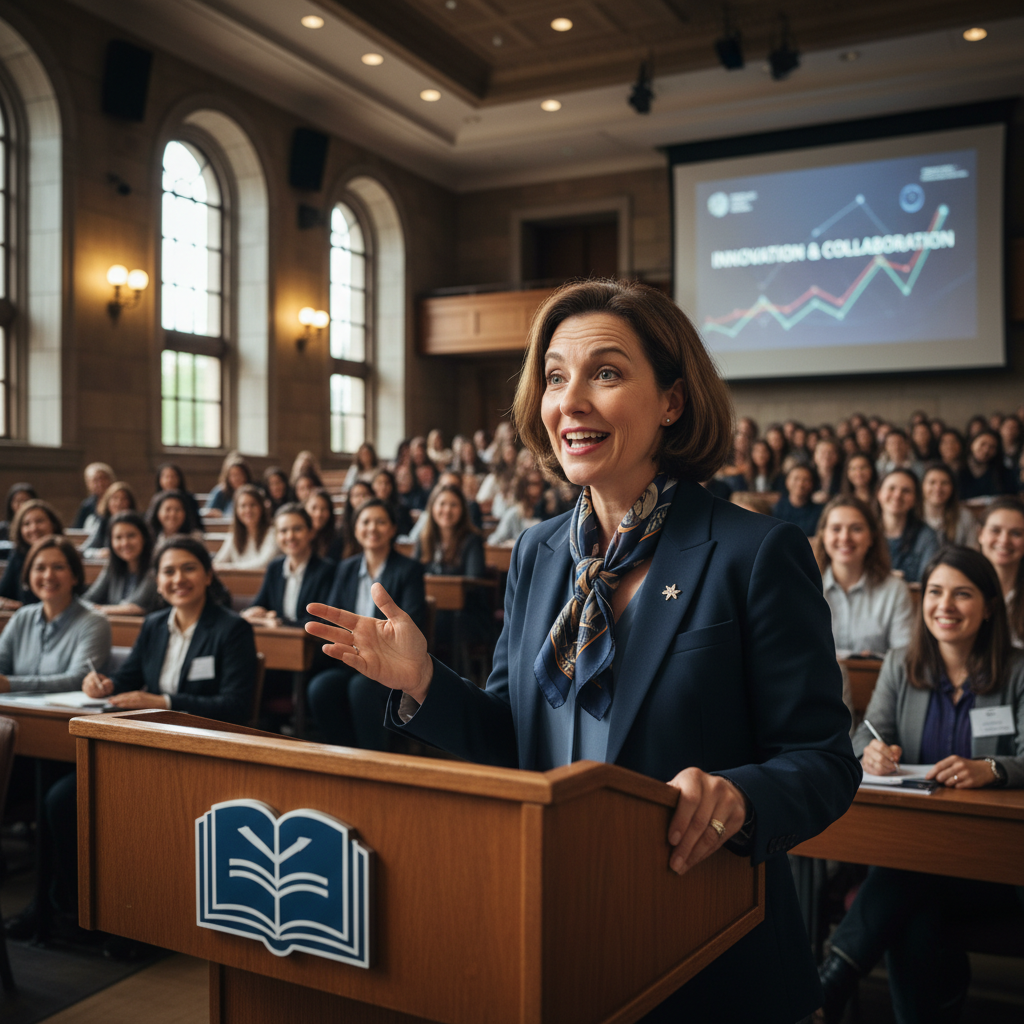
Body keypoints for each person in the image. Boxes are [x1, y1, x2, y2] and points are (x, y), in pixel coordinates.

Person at [305, 280, 858, 1024]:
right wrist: (426, 681)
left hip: (708, 942)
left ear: (672, 400)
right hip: (561, 925)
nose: (571, 401)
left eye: (606, 372)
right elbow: (515, 740)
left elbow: (823, 762)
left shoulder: (754, 551)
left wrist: (740, 796)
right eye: (555, 377)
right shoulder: (537, 552)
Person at [817, 547, 1024, 1024]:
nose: (944, 605)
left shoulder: (1017, 671)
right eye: (934, 592)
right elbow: (865, 735)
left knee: (905, 881)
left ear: (989, 607)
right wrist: (871, 751)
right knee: (915, 897)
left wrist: (993, 768)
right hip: (918, 852)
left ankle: (830, 984)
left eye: (962, 594)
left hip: (993, 863)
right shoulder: (899, 664)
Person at [22, 538, 258, 936]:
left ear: (208, 575)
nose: (178, 578)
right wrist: (103, 684)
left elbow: (235, 706)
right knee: (61, 798)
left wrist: (163, 701)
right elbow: (127, 679)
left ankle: (134, 916)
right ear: (158, 582)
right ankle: (77, 907)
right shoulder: (153, 625)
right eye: (168, 571)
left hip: (202, 753)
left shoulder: (232, 629)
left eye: (188, 568)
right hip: (146, 747)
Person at [307, 499, 426, 752]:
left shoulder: (409, 570)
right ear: (355, 528)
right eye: (366, 522)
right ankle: (343, 756)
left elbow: (414, 621)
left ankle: (372, 759)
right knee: (320, 688)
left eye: (380, 522)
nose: (372, 528)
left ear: (392, 528)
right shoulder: (346, 568)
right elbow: (331, 616)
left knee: (361, 688)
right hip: (350, 660)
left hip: (390, 663)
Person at [0, 536, 111, 693]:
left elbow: (78, 679)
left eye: (58, 567)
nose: (48, 576)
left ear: (75, 576)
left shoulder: (94, 622)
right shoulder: (22, 617)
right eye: (40, 568)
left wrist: (11, 685)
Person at [813, 496, 914, 658]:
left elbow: (904, 658)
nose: (845, 537)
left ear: (871, 537)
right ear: (823, 535)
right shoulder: (807, 587)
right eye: (836, 529)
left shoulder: (895, 590)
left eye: (856, 529)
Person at [413, 484, 490, 659]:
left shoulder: (472, 540)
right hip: (431, 610)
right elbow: (413, 575)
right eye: (442, 504)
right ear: (432, 507)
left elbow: (473, 581)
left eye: (453, 505)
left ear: (462, 509)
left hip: (466, 613)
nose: (447, 510)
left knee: (440, 623)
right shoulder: (424, 538)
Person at [245, 504, 336, 628]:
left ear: (311, 532)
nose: (290, 536)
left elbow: (322, 621)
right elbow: (257, 605)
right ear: (276, 536)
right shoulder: (275, 567)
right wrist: (258, 615)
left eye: (297, 529)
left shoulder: (327, 570)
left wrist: (278, 621)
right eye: (283, 531)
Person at [83, 511, 160, 615]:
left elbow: (135, 607)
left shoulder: (156, 568)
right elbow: (89, 598)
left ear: (144, 537)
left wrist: (97, 609)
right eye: (118, 538)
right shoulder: (112, 567)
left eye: (131, 536)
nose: (125, 543)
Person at [877, 469, 939, 583]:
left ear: (915, 499)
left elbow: (927, 582)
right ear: (879, 493)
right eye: (891, 488)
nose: (897, 495)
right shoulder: (865, 532)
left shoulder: (926, 536)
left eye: (906, 491)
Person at [977, 498, 1024, 648]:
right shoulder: (962, 587)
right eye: (995, 530)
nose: (1004, 541)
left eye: (1016, 533)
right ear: (981, 534)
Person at [0, 499, 64, 609]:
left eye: (39, 521)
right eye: (27, 524)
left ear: (53, 524)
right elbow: (4, 592)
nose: (34, 528)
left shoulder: (65, 553)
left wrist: (23, 608)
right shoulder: (18, 554)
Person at [213, 483, 278, 569]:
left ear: (261, 507)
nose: (248, 510)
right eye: (243, 506)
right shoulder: (234, 535)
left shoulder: (273, 533)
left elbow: (264, 564)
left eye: (252, 505)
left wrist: (230, 567)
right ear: (236, 510)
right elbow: (218, 562)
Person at [921, 462, 977, 548]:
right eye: (932, 482)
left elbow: (972, 550)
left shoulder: (965, 517)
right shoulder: (913, 515)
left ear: (952, 487)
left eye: (944, 483)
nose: (938, 488)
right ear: (922, 486)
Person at [488, 468, 544, 545]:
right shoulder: (513, 514)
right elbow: (493, 541)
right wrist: (513, 544)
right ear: (524, 488)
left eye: (540, 483)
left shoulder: (544, 510)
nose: (539, 488)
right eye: (534, 484)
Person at [82, 480, 137, 557]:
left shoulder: (137, 523)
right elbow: (85, 550)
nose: (119, 503)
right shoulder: (103, 522)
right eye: (115, 498)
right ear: (108, 502)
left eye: (124, 499)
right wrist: (99, 553)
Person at [957, 429, 1017, 499]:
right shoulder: (958, 469)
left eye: (992, 447)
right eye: (983, 444)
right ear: (972, 444)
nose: (986, 450)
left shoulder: (1003, 473)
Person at [772, 463, 823, 537]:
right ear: (787, 481)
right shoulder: (776, 509)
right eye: (796, 479)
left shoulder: (819, 512)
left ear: (812, 484)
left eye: (805, 480)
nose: (800, 484)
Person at [307, 487, 347, 562]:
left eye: (324, 509)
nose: (318, 514)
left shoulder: (338, 539)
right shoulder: (300, 537)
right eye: (314, 508)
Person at [71, 462, 114, 528]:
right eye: (95, 480)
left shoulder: (118, 501)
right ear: (89, 484)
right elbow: (77, 528)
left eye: (103, 478)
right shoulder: (87, 505)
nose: (100, 483)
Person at [811, 438, 843, 503]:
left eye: (831, 452)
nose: (826, 456)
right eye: (822, 452)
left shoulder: (843, 475)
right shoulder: (807, 473)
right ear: (815, 455)